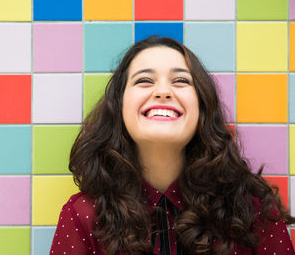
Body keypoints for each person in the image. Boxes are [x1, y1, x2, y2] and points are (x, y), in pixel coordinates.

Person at [50, 36, 295, 255]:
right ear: (119, 107)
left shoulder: (252, 208)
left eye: (180, 81)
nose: (163, 91)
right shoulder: (82, 214)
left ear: (201, 107)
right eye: (144, 80)